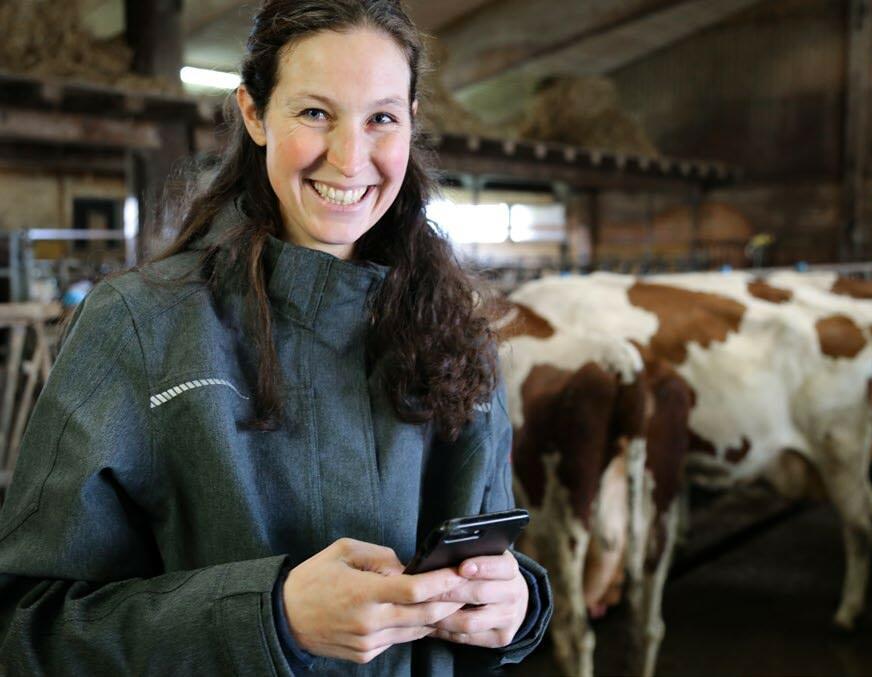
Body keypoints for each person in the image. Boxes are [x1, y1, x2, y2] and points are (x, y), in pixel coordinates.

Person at [0, 1, 552, 673]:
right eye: (314, 113)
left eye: (381, 117)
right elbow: (25, 626)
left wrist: (517, 603)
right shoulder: (140, 325)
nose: (350, 159)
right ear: (255, 114)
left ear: (411, 120)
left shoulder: (457, 328)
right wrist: (270, 616)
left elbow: (484, 558)